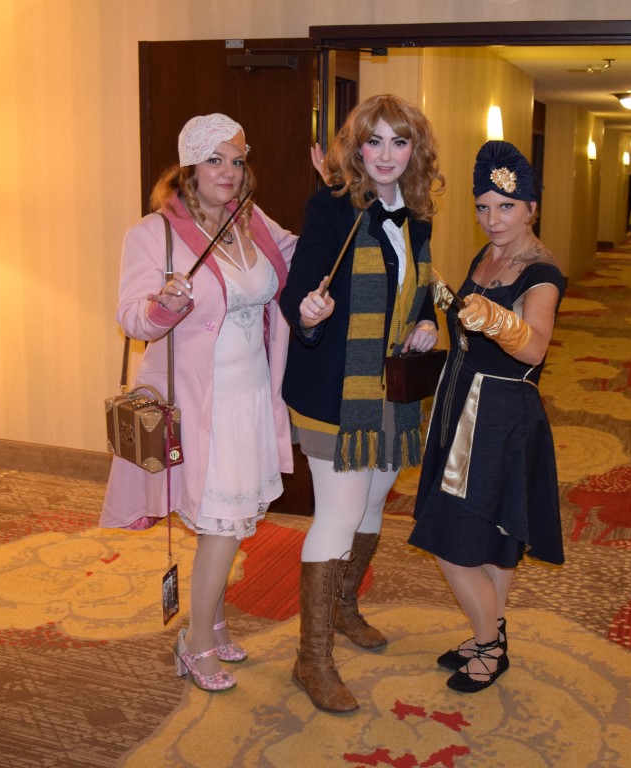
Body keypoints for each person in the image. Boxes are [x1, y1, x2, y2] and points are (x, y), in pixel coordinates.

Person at [100, 114, 297, 693]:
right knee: (222, 526)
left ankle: (213, 621)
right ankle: (195, 643)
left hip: (252, 397)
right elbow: (132, 319)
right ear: (189, 167)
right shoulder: (153, 233)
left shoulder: (251, 219)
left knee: (232, 523)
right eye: (215, 160)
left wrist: (343, 194)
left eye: (237, 160)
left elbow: (301, 255)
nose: (229, 172)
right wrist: (163, 303)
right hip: (203, 406)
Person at [278, 94, 444, 713]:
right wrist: (309, 312)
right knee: (340, 513)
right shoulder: (332, 207)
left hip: (390, 390)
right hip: (335, 391)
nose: (386, 155)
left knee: (375, 499)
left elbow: (419, 291)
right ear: (356, 147)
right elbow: (300, 290)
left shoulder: (417, 215)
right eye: (374, 141)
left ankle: (344, 606)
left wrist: (426, 322)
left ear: (414, 150)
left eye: (399, 141)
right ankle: (311, 658)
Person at [409, 140, 566, 693]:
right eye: (483, 206)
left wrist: (499, 322)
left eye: (506, 206)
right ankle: (485, 637)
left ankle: (490, 644)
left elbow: (535, 347)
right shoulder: (486, 255)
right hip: (460, 402)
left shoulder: (542, 272)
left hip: (497, 415)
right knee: (493, 538)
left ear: (531, 208)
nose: (493, 219)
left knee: (450, 538)